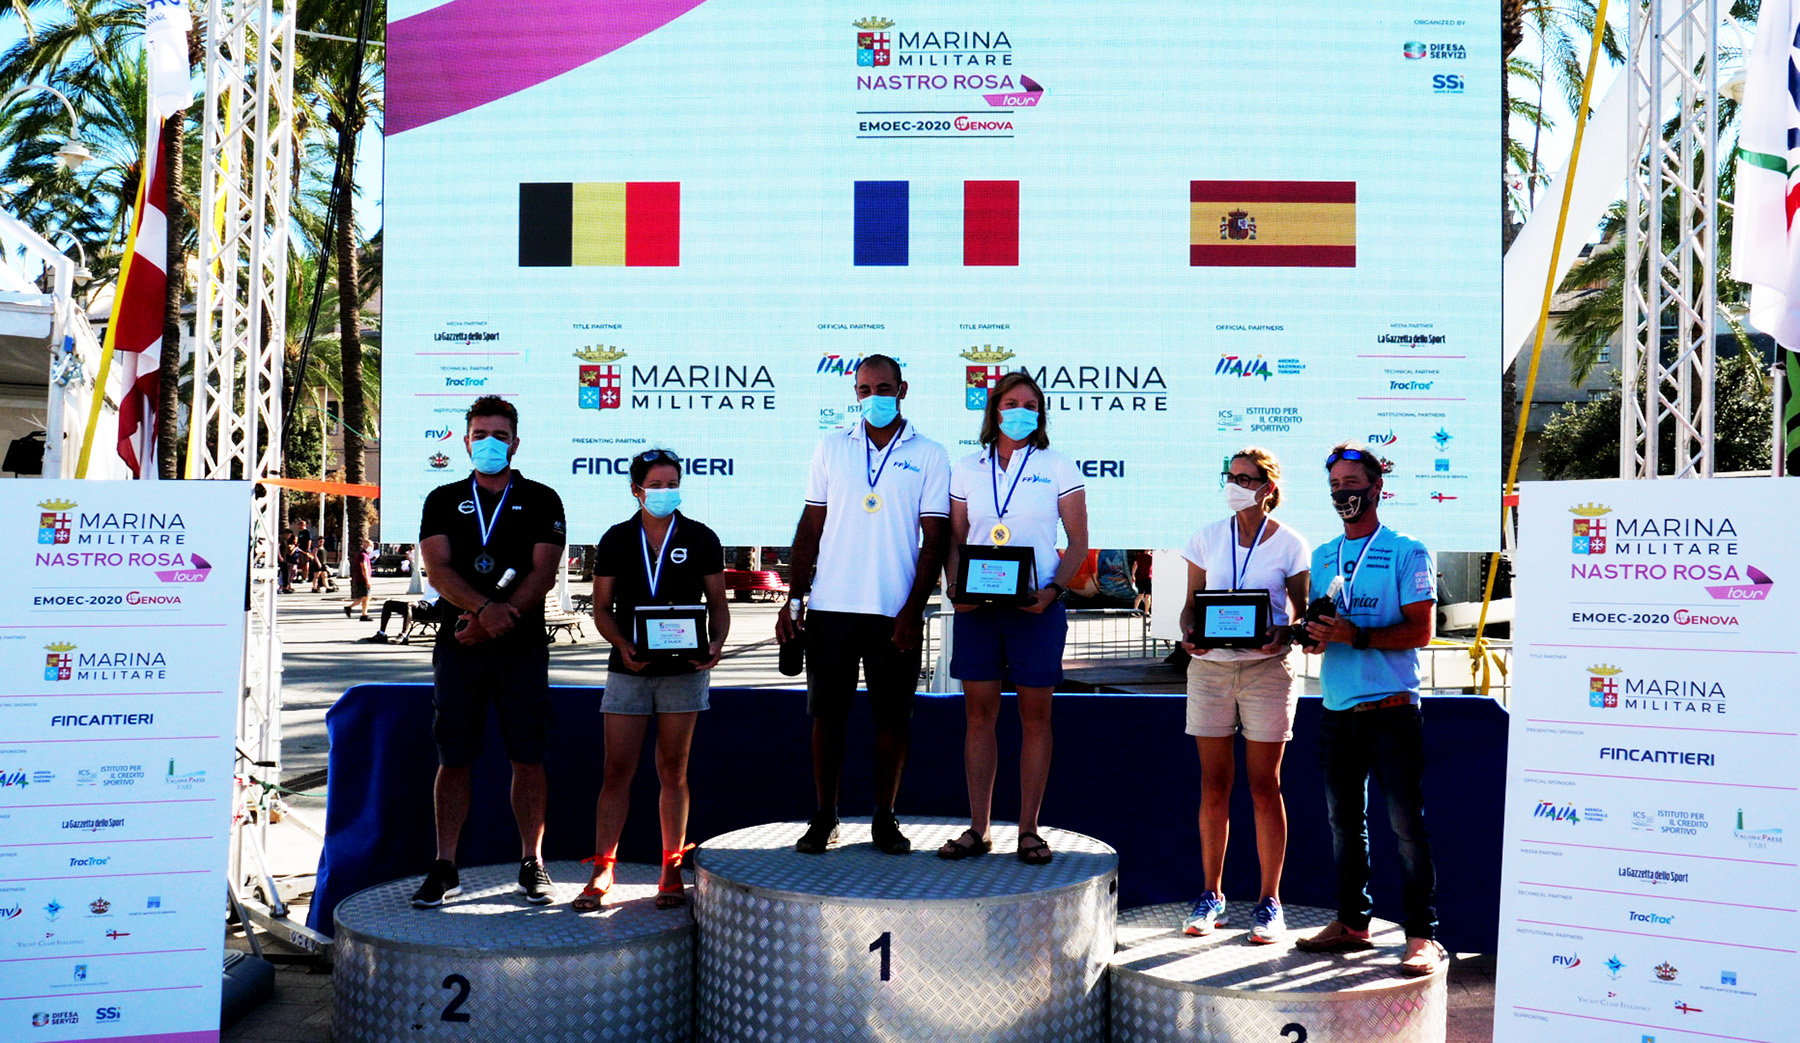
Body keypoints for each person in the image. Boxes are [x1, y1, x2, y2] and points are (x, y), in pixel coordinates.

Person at [778, 354, 949, 855]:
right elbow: (810, 527)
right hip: (831, 607)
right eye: (864, 389)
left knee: (893, 720)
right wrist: (794, 598)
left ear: (903, 389)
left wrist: (913, 609)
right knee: (826, 717)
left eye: (884, 388)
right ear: (855, 393)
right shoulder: (832, 446)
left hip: (894, 610)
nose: (874, 397)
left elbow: (935, 538)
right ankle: (825, 816)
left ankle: (884, 818)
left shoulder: (930, 453)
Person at [410, 396, 569, 909]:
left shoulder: (542, 498)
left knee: (529, 756)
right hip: (460, 644)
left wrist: (500, 619)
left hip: (521, 647)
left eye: (499, 435)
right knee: (453, 757)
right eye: (480, 435)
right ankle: (445, 865)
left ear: (515, 444)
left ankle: (532, 862)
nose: (489, 444)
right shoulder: (442, 498)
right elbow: (438, 569)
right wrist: (483, 611)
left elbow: (543, 572)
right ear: (465, 442)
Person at [1294, 442, 1444, 977]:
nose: (1343, 494)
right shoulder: (1323, 555)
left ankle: (1422, 935)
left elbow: (1421, 632)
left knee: (1406, 828)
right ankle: (1353, 922)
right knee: (1343, 825)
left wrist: (1354, 635)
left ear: (1378, 488)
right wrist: (1312, 635)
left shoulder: (1408, 550)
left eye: (1353, 484)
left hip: (1391, 710)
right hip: (1335, 711)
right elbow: (1323, 630)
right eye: (1335, 486)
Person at [937, 372, 1087, 866]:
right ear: (994, 410)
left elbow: (1078, 543)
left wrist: (1052, 592)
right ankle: (978, 828)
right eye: (1011, 403)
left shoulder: (1057, 465)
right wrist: (955, 590)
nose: (1020, 411)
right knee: (978, 717)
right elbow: (956, 538)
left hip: (1035, 610)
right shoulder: (967, 467)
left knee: (1035, 719)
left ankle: (1028, 829)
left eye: (1030, 404)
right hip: (977, 611)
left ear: (1040, 414)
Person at [579, 449, 729, 911]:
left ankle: (671, 868)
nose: (666, 492)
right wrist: (622, 644)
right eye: (656, 485)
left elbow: (718, 605)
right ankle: (603, 867)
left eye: (673, 484)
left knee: (673, 771)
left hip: (683, 672)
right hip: (630, 669)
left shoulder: (701, 536)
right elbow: (601, 608)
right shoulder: (617, 538)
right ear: (636, 490)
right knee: (616, 772)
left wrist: (716, 643)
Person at [1176, 448, 1311, 942]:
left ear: (1267, 488)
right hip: (1209, 671)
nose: (1233, 485)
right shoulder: (1206, 537)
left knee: (1264, 786)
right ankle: (1212, 895)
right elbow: (1191, 608)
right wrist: (1189, 633)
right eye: (1229, 476)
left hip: (1266, 671)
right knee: (1213, 784)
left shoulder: (1291, 543)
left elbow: (1299, 609)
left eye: (1244, 478)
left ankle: (1269, 902)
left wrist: (1284, 631)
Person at [361, 580, 442, 644]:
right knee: (388, 604)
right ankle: (382, 634)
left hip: (430, 607)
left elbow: (438, 600)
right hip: (422, 603)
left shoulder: (443, 581)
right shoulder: (431, 580)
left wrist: (417, 604)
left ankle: (404, 635)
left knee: (409, 605)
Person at [344, 537, 374, 620]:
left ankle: (349, 608)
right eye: (371, 546)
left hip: (362, 579)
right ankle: (364, 614)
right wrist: (367, 580)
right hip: (362, 579)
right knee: (366, 596)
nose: (372, 548)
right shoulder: (363, 555)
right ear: (365, 546)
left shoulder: (365, 555)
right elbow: (364, 568)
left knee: (364, 597)